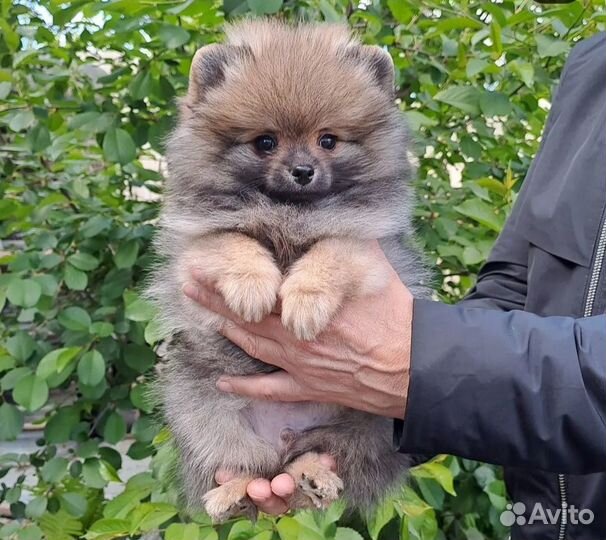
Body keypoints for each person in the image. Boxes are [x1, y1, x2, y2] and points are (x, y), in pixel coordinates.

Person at [182, 32, 606, 539]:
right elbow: (516, 284)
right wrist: (428, 379)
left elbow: (367, 260)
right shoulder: (593, 62)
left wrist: (411, 367)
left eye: (328, 140)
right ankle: (264, 467)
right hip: (549, 514)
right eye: (265, 143)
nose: (302, 163)